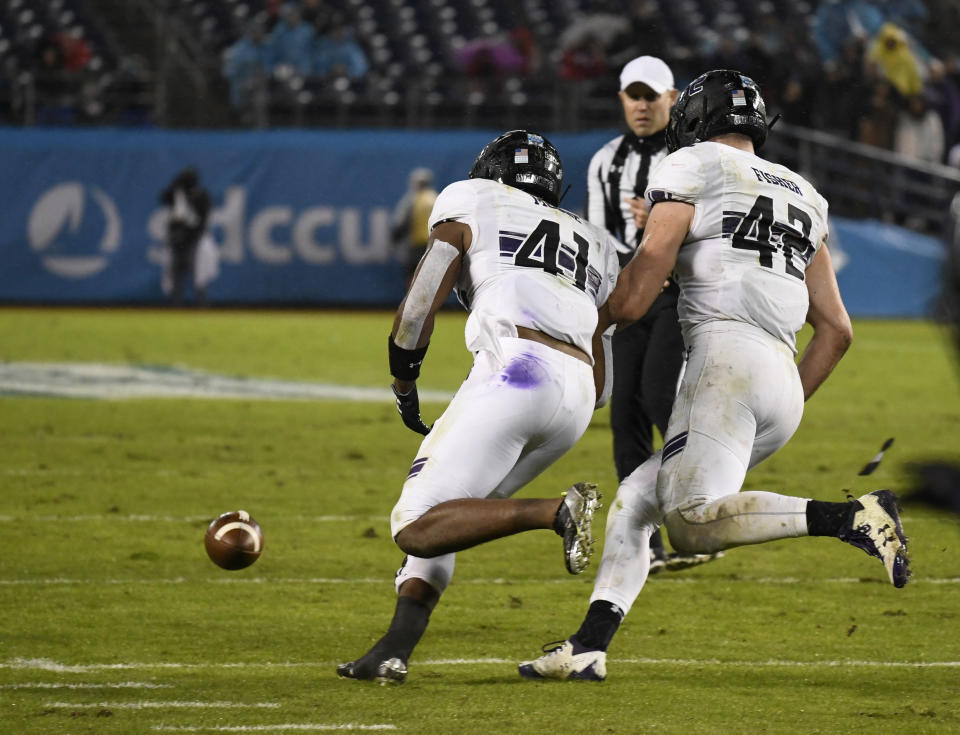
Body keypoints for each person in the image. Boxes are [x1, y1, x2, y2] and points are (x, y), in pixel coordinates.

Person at [518, 70, 911, 682]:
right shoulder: (805, 192)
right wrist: (777, 402)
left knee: (691, 525)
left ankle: (853, 517)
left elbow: (645, 277)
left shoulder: (692, 164)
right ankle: (590, 645)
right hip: (781, 380)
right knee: (636, 502)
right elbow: (837, 330)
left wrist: (587, 323)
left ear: (694, 119)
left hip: (724, 364)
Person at [337, 130, 623, 685]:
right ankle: (392, 651)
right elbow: (604, 367)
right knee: (452, 518)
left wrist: (404, 378)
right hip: (579, 396)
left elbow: (421, 303)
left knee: (417, 523)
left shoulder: (472, 198)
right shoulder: (595, 239)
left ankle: (556, 513)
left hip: (516, 372)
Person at [585, 55, 719, 574]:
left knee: (662, 394)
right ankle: (648, 543)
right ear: (622, 99)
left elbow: (716, 226)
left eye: (651, 96)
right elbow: (601, 237)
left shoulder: (693, 157)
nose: (641, 106)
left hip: (681, 290)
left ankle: (708, 509)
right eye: (633, 96)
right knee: (627, 416)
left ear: (672, 97)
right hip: (629, 288)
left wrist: (664, 231)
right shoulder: (605, 160)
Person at [159, 167, 212, 306]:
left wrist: (193, 234)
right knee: (174, 271)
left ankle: (201, 302)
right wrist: (175, 187)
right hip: (176, 239)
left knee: (197, 270)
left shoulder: (201, 195)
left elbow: (202, 219)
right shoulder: (177, 194)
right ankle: (176, 302)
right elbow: (163, 198)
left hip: (194, 239)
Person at [390, 168, 438, 284]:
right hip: (435, 245)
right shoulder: (436, 198)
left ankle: (416, 301)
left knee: (414, 278)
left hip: (415, 248)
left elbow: (399, 224)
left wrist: (394, 240)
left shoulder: (411, 200)